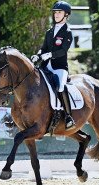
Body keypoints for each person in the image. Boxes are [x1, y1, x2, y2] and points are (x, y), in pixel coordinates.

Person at [31, 1, 75, 130]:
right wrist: (38, 55)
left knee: (60, 87)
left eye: (59, 12)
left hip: (59, 67)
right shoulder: (49, 32)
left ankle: (68, 117)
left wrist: (49, 55)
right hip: (45, 66)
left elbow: (63, 51)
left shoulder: (67, 32)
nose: (56, 14)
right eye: (55, 12)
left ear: (66, 15)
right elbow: (43, 48)